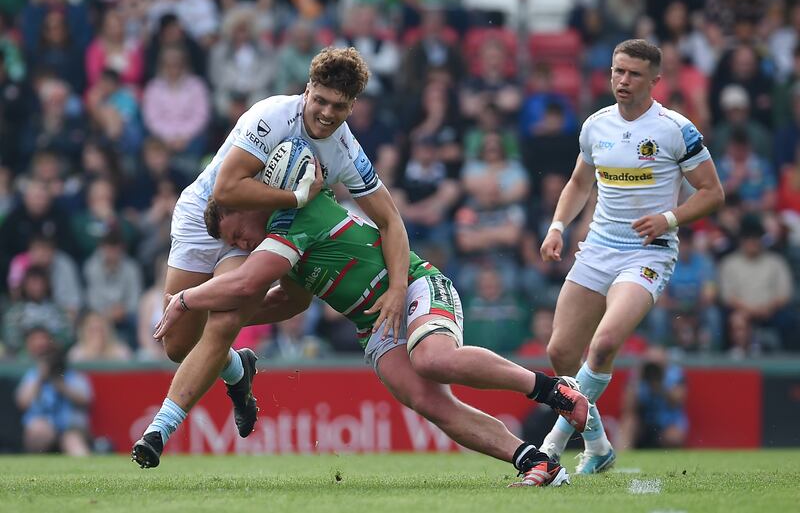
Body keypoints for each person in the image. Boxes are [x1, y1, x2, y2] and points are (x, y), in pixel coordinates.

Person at [132, 189, 590, 488]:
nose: (244, 245)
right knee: (428, 401)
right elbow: (292, 301)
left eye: (238, 234)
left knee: (433, 359)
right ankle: (535, 461)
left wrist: (188, 299)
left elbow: (249, 280)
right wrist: (225, 319)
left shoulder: (295, 216)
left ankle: (552, 390)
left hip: (410, 283)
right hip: (372, 322)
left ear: (247, 208)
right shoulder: (276, 244)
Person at [158, 47, 412, 444]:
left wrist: (398, 288)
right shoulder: (272, 115)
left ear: (353, 106)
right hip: (203, 216)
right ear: (308, 88)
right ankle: (237, 371)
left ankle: (158, 432)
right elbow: (227, 188)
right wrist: (296, 199)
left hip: (254, 234)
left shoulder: (346, 150)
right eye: (321, 100)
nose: (327, 114)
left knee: (224, 320)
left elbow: (390, 220)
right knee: (178, 345)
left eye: (340, 107)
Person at [538, 39, 725, 474]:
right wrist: (557, 227)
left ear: (654, 81)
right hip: (599, 246)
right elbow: (579, 184)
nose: (623, 80)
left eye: (634, 74)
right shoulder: (595, 126)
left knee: (602, 346)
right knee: (562, 352)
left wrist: (669, 218)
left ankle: (551, 446)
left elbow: (714, 193)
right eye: (617, 71)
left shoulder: (675, 129)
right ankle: (599, 446)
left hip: (648, 252)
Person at [16, 340, 93, 456]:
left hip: (68, 428)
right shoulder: (34, 375)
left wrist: (61, 385)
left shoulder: (71, 375)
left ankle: (88, 473)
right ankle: (35, 469)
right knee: (39, 429)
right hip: (43, 426)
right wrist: (40, 377)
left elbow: (85, 399)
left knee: (74, 442)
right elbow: (22, 402)